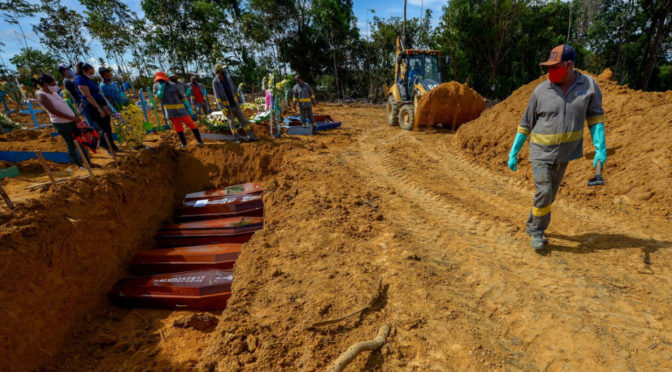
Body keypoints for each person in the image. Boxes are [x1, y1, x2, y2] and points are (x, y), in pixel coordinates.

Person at [507, 44, 607, 254]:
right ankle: (537, 231)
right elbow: (526, 123)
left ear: (569, 65)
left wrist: (600, 147)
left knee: (549, 196)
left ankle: (532, 222)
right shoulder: (540, 90)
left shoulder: (589, 86)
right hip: (540, 151)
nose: (550, 71)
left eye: (555, 66)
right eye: (548, 67)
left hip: (565, 154)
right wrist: (514, 151)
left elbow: (596, 118)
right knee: (544, 190)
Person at [32, 74, 97, 168]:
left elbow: (65, 106)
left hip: (72, 121)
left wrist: (75, 117)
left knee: (80, 141)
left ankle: (88, 162)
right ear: (45, 84)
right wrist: (72, 118)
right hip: (62, 124)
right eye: (53, 84)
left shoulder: (53, 93)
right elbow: (53, 111)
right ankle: (79, 165)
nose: (56, 86)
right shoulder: (41, 95)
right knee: (71, 144)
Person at [74, 62, 120, 154]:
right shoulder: (79, 79)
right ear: (84, 71)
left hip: (100, 103)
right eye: (90, 73)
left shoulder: (87, 79)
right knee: (103, 126)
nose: (92, 75)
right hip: (92, 105)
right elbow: (87, 95)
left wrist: (105, 107)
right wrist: (99, 108)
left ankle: (112, 146)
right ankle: (105, 145)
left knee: (107, 125)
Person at [153, 71, 204, 148]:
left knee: (192, 125)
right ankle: (184, 143)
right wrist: (160, 91)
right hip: (171, 112)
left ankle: (200, 141)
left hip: (181, 110)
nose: (161, 81)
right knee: (178, 128)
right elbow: (157, 100)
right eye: (159, 80)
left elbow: (181, 97)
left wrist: (188, 107)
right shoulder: (156, 86)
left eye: (162, 79)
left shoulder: (173, 85)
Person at [212, 64, 258, 143]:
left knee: (243, 120)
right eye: (221, 70)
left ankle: (250, 136)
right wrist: (222, 108)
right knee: (232, 123)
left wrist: (241, 101)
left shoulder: (228, 78)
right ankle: (236, 139)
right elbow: (217, 97)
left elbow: (235, 89)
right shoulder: (215, 82)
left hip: (235, 104)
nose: (223, 71)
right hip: (227, 107)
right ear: (218, 72)